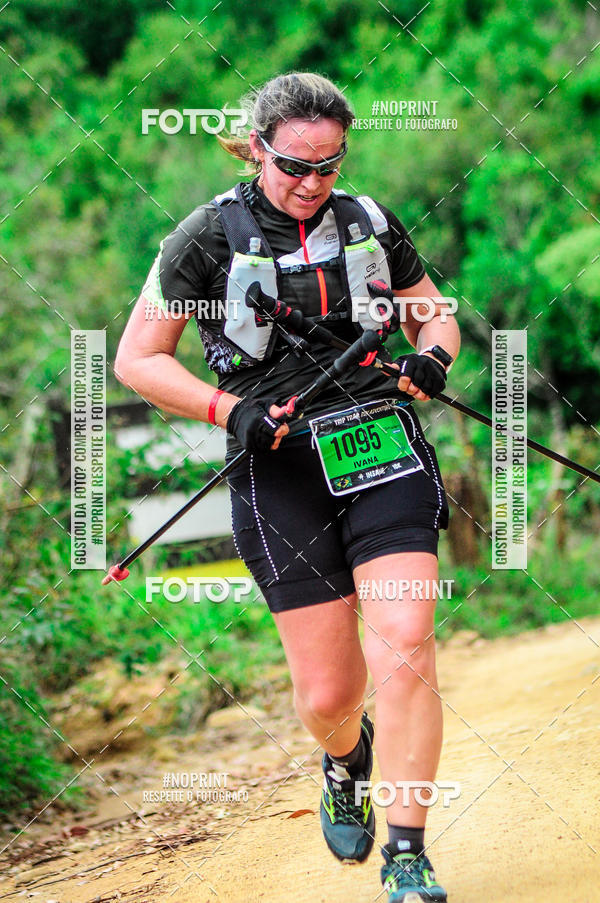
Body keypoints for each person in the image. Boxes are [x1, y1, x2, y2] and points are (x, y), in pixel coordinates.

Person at [115, 72, 460, 903]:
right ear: (259, 147)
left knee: (407, 641)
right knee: (330, 693)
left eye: (330, 166)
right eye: (295, 165)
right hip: (279, 470)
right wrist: (226, 410)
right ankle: (347, 760)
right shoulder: (205, 237)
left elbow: (434, 312)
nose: (312, 183)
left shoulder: (368, 222)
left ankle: (408, 849)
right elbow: (136, 359)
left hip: (380, 443)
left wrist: (432, 356)